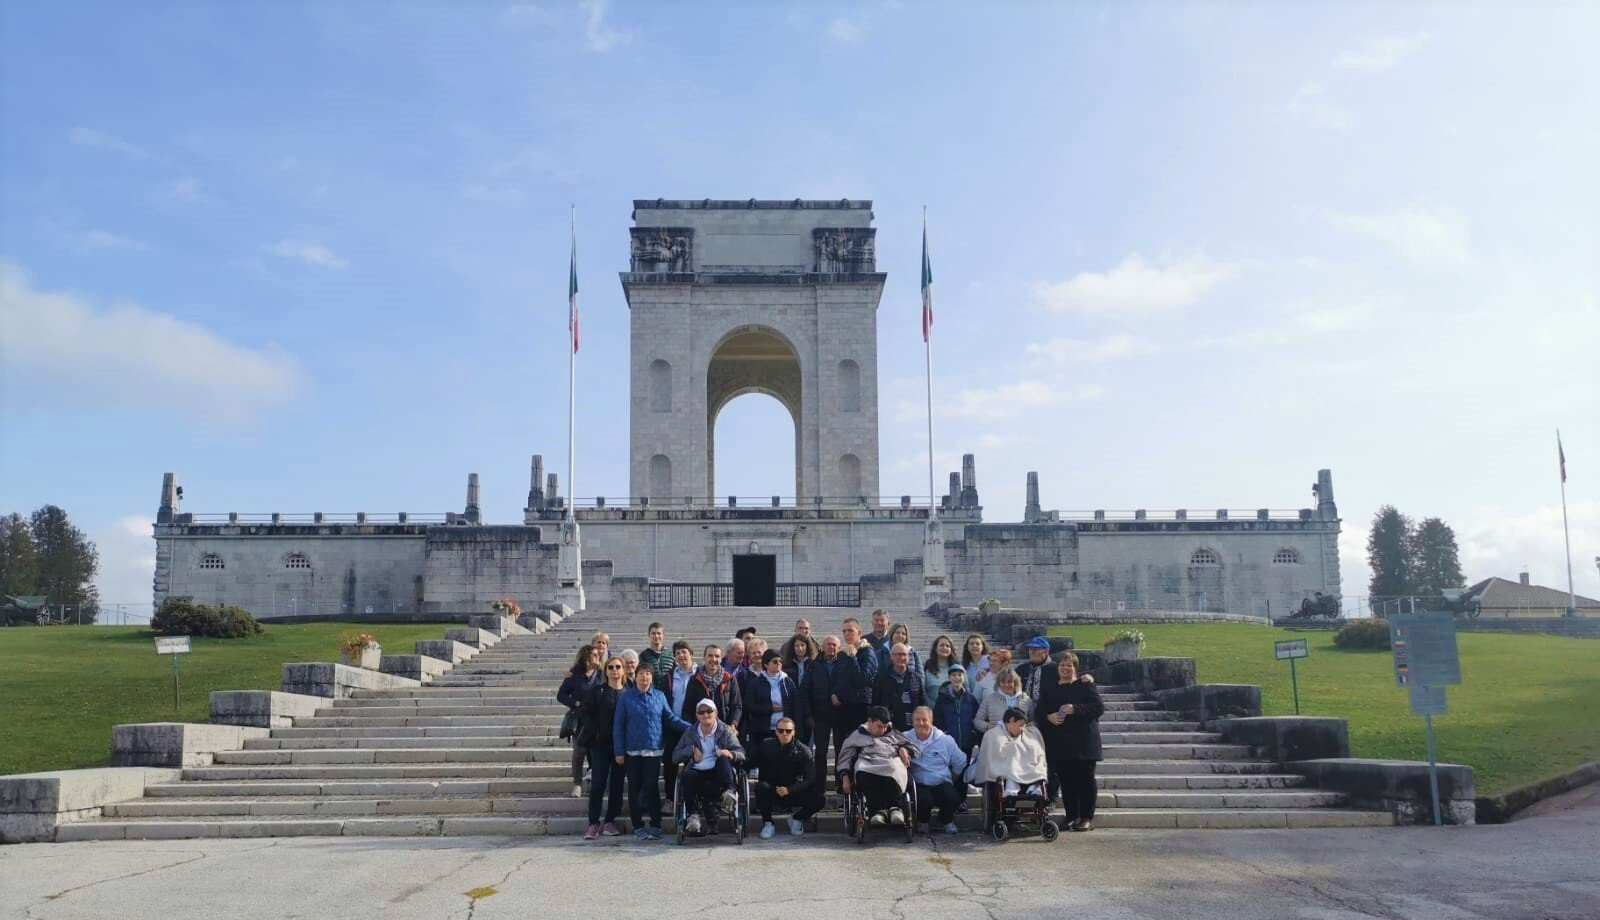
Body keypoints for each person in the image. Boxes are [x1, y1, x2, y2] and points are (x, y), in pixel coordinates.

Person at [613, 664, 689, 840]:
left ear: (652, 677)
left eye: (648, 674)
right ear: (636, 676)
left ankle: (656, 824)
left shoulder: (659, 696)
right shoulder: (626, 697)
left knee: (651, 786)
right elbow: (618, 725)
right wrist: (619, 750)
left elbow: (670, 718)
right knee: (634, 788)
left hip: (653, 750)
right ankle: (638, 825)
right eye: (641, 674)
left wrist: (691, 727)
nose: (644, 677)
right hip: (632, 750)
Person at [1034, 651, 1105, 831]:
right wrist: (1048, 717)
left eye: (1069, 665)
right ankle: (1071, 816)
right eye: (1062, 665)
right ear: (1058, 668)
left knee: (1086, 781)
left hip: (1084, 743)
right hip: (1061, 744)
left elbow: (1098, 708)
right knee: (1067, 782)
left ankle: (1087, 817)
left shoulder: (1085, 684)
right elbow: (1039, 711)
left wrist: (1076, 709)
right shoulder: (1051, 687)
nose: (1065, 668)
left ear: (1075, 668)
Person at [800, 634, 865, 791]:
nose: (832, 647)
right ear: (823, 647)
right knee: (821, 752)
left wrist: (840, 697)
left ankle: (839, 782)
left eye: (835, 645)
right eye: (829, 644)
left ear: (839, 647)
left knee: (841, 751)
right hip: (820, 715)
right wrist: (808, 714)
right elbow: (805, 690)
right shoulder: (814, 665)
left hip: (840, 715)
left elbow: (852, 684)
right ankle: (819, 785)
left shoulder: (845, 662)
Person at [836, 705, 920, 828]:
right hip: (867, 763)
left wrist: (903, 748)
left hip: (889, 762)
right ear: (870, 721)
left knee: (894, 767)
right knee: (861, 770)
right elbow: (845, 758)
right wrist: (845, 777)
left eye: (885, 727)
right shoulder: (857, 735)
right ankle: (877, 810)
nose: (882, 730)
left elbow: (914, 748)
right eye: (879, 726)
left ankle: (895, 807)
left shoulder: (892, 733)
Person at [670, 699, 745, 835]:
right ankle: (693, 815)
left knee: (722, 759)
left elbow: (742, 754)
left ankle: (729, 793)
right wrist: (691, 750)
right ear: (697, 716)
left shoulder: (726, 730)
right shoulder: (690, 732)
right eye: (702, 712)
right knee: (687, 775)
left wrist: (731, 753)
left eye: (709, 711)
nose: (706, 715)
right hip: (697, 771)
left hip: (719, 773)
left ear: (715, 713)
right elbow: (675, 757)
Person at [580, 655, 629, 839]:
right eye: (610, 667)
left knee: (617, 785)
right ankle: (593, 823)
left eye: (618, 667)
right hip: (600, 745)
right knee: (598, 784)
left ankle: (610, 820)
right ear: (606, 671)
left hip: (621, 747)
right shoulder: (598, 691)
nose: (614, 670)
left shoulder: (628, 692)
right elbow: (585, 713)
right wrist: (595, 732)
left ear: (623, 670)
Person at [753, 717, 821, 839]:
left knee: (819, 799)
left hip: (792, 789)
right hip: (771, 789)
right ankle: (768, 823)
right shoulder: (766, 745)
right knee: (761, 787)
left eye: (788, 731)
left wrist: (790, 790)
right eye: (781, 730)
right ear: (776, 732)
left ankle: (797, 819)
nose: (784, 734)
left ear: (794, 732)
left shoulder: (804, 751)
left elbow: (810, 778)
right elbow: (751, 762)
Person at [908, 706, 967, 834]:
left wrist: (953, 777)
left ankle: (946, 820)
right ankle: (923, 822)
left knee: (952, 797)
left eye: (924, 720)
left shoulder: (945, 740)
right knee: (923, 799)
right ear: (912, 722)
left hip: (941, 782)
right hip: (918, 783)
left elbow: (961, 760)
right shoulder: (905, 738)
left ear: (931, 721)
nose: (921, 723)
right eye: (917, 720)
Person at [973, 707, 1049, 799]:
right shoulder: (992, 735)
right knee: (1013, 749)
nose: (1023, 729)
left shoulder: (1028, 734)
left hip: (1030, 770)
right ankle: (1012, 784)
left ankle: (1034, 785)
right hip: (1004, 776)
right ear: (1011, 721)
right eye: (1021, 725)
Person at [557, 643, 602, 798]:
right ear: (586, 658)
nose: (598, 657)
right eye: (595, 655)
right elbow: (561, 695)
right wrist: (575, 703)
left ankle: (596, 780)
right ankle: (577, 783)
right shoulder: (574, 675)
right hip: (580, 719)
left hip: (598, 719)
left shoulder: (602, 673)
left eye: (598, 655)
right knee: (579, 751)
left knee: (596, 752)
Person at [662, 640, 698, 804]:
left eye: (684, 652)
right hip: (674, 726)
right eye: (677, 653)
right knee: (670, 762)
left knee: (696, 761)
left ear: (691, 654)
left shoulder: (701, 674)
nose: (681, 656)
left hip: (696, 727)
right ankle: (670, 797)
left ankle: (694, 797)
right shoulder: (669, 677)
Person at [684, 644, 744, 735]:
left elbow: (737, 706)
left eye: (717, 656)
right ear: (704, 658)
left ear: (721, 659)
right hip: (701, 731)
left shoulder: (730, 679)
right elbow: (687, 708)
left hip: (725, 731)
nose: (714, 659)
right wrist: (692, 728)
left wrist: (733, 724)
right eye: (710, 656)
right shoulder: (695, 680)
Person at [744, 649, 795, 754]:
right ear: (766, 664)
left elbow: (796, 704)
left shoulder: (788, 681)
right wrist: (769, 708)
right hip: (763, 729)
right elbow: (749, 705)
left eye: (780, 661)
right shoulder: (756, 682)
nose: (779, 664)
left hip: (783, 730)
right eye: (775, 662)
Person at [874, 642, 925, 731]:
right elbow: (875, 703)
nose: (901, 658)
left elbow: (923, 703)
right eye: (898, 654)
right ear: (891, 657)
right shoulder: (882, 678)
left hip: (912, 730)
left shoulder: (916, 678)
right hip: (889, 730)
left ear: (908, 657)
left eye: (904, 655)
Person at [781, 633, 820, 743]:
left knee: (808, 741)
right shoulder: (786, 665)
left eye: (802, 645)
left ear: (807, 646)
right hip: (792, 707)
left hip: (809, 707)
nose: (800, 648)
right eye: (796, 646)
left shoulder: (814, 664)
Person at [934, 664, 981, 754]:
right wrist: (944, 732)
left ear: (964, 677)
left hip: (967, 742)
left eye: (960, 675)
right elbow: (937, 718)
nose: (957, 678)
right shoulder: (942, 698)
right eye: (954, 675)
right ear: (949, 677)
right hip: (949, 741)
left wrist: (974, 735)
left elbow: (976, 717)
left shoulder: (970, 698)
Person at [974, 669, 1032, 734]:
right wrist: (989, 727)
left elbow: (1033, 722)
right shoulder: (990, 699)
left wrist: (1023, 729)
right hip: (997, 738)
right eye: (1003, 682)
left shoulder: (1026, 699)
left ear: (1015, 682)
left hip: (1021, 740)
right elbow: (977, 721)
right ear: (999, 683)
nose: (1006, 685)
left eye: (1009, 682)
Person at [840, 617, 879, 705]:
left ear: (859, 633)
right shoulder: (843, 653)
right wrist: (835, 693)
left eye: (850, 630)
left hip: (861, 704)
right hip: (844, 703)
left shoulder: (868, 652)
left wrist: (852, 657)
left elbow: (862, 680)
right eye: (844, 631)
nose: (846, 634)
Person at [1015, 636, 1058, 702]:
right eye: (1030, 649)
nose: (1032, 652)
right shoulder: (1021, 669)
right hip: (1023, 708)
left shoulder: (1056, 669)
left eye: (1036, 649)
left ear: (1046, 651)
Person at [923, 634, 958, 702]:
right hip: (932, 709)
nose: (945, 648)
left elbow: (966, 690)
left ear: (951, 650)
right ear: (935, 648)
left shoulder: (957, 668)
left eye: (948, 646)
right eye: (941, 645)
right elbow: (923, 691)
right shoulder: (927, 667)